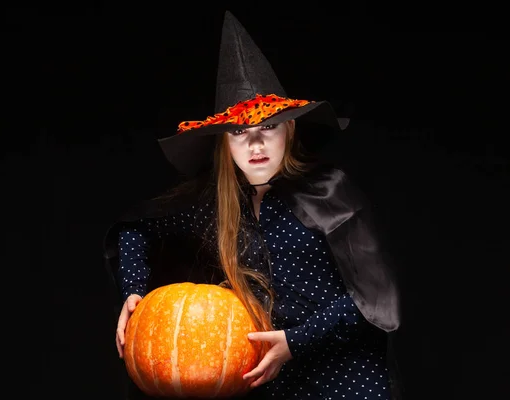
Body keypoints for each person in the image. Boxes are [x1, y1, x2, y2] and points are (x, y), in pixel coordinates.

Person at [104, 11, 403, 400]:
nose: (255, 145)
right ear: (224, 144)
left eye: (268, 128)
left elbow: (373, 300)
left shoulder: (329, 192)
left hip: (347, 380)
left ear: (289, 129)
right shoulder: (214, 206)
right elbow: (136, 229)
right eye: (239, 133)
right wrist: (133, 292)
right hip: (267, 385)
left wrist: (294, 341)